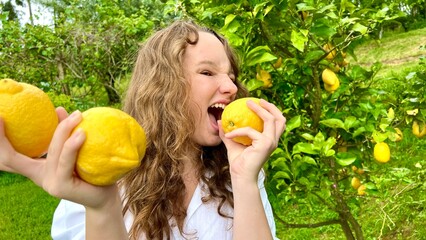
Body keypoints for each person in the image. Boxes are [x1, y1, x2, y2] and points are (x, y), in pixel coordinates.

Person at [0, 20, 286, 239]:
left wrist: (244, 179)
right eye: (207, 72)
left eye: (232, 77)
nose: (232, 88)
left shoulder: (238, 173)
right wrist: (102, 207)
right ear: (163, 88)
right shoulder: (102, 173)